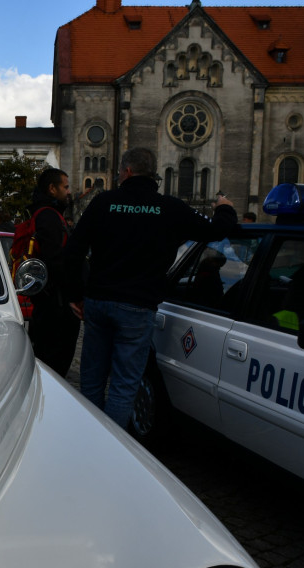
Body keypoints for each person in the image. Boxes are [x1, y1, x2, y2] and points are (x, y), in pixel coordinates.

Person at [63, 147, 237, 428]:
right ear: (152, 174)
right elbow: (218, 230)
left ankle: (88, 439)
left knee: (92, 379)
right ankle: (112, 450)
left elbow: (73, 252)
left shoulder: (103, 202)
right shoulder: (170, 208)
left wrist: (74, 294)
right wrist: (225, 207)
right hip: (137, 307)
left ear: (127, 172)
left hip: (99, 301)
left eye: (120, 171)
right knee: (123, 385)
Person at [26, 167, 79, 377]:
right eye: (65, 187)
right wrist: (73, 294)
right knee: (53, 367)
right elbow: (56, 262)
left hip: (47, 303)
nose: (69, 192)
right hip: (55, 307)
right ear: (52, 189)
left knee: (46, 362)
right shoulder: (49, 217)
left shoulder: (44, 213)